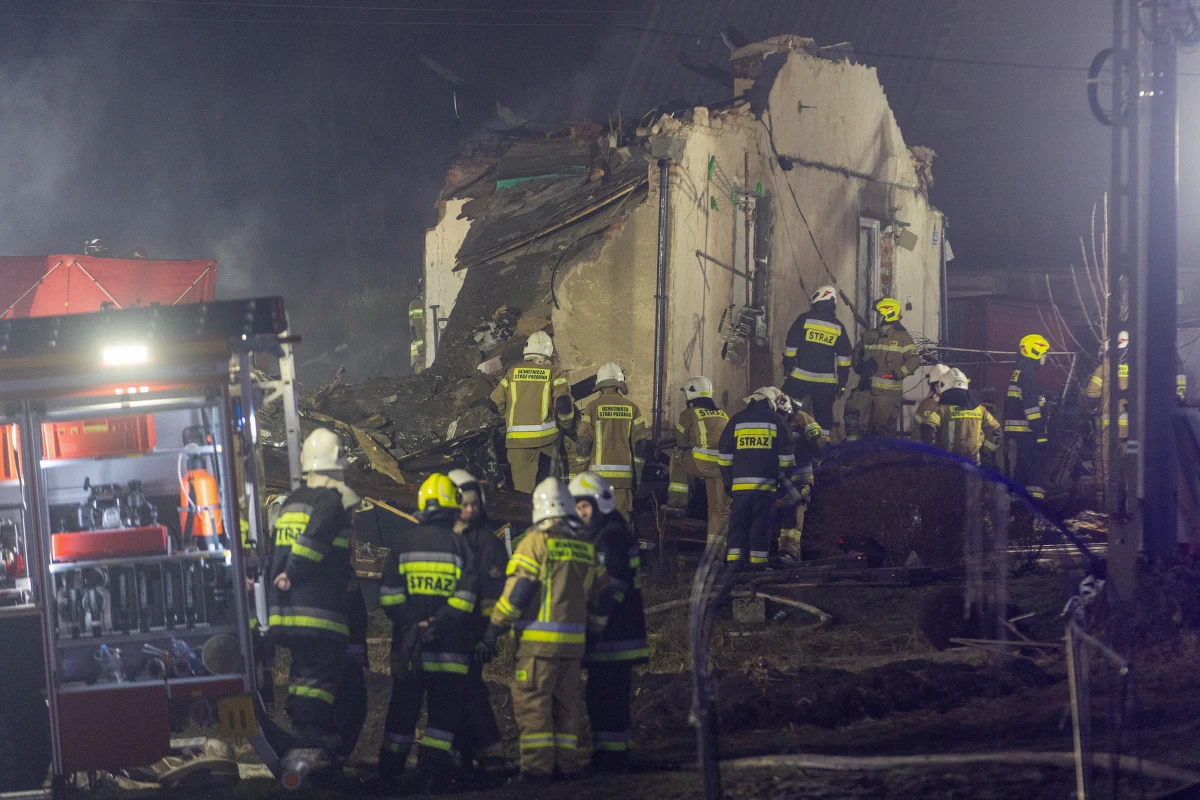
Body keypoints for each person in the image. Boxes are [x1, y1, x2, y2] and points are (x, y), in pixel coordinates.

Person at [482, 478, 611, 783]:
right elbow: (602, 596)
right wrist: (594, 632)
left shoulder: (535, 542)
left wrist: (494, 627)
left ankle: (537, 771)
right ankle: (565, 766)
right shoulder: (583, 546)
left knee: (534, 706)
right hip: (573, 647)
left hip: (537, 648)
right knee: (566, 707)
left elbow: (518, 592)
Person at [376, 474, 477, 792]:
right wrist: (437, 624)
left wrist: (414, 624)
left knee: (402, 713)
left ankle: (389, 775)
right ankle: (432, 775)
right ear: (451, 508)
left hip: (410, 651)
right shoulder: (461, 545)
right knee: (442, 718)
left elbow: (388, 596)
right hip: (449, 650)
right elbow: (466, 599)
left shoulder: (403, 543)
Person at [267, 429, 358, 771]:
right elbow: (312, 540)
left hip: (287, 612)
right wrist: (293, 570)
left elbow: (275, 547)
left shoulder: (291, 501)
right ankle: (311, 734)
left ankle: (303, 730)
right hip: (319, 611)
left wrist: (275, 587)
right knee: (321, 677)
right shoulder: (329, 499)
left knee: (303, 674)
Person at [568, 472, 647, 773]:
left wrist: (594, 624)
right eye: (576, 506)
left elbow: (609, 588)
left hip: (615, 634)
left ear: (599, 503)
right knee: (602, 694)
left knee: (607, 696)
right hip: (613, 633)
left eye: (585, 506)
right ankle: (610, 752)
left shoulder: (611, 537)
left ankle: (613, 758)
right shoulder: (605, 534)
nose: (580, 512)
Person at [447, 468, 507, 773]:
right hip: (446, 630)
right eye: (464, 503)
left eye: (475, 504)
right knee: (451, 690)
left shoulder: (487, 542)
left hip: (472, 632)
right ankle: (463, 751)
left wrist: (489, 634)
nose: (470, 509)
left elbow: (494, 593)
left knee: (469, 686)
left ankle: (489, 749)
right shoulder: (444, 537)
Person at [717, 387, 799, 569]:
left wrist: (728, 483)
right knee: (760, 526)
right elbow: (787, 459)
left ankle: (734, 564)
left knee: (738, 525)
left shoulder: (737, 420)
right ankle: (757, 566)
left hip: (739, 488)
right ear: (770, 402)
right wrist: (783, 484)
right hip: (766, 488)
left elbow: (724, 456)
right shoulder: (777, 421)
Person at [490, 331, 574, 493]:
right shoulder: (554, 372)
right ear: (547, 353)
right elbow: (563, 404)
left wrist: (508, 414)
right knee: (547, 492)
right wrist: (566, 423)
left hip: (518, 444)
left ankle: (524, 517)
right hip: (546, 442)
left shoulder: (512, 373)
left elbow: (494, 403)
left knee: (522, 494)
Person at [574, 362, 648, 520]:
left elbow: (584, 443)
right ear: (619, 385)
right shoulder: (632, 408)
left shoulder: (592, 407)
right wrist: (638, 474)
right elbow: (640, 445)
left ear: (600, 387)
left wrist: (581, 472)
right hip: (623, 480)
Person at [665, 376, 731, 543]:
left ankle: (677, 504)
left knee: (678, 455)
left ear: (691, 394)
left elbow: (681, 441)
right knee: (719, 511)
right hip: (724, 466)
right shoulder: (723, 414)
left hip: (701, 463)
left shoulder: (688, 413)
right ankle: (716, 550)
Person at [781, 285, 852, 438]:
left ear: (817, 299)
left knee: (783, 406)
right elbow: (844, 358)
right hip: (825, 382)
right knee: (824, 416)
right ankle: (822, 451)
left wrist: (787, 369)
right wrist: (842, 384)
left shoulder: (804, 319)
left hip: (800, 377)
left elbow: (791, 345)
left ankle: (784, 441)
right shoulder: (838, 326)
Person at [846, 297, 921, 438]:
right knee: (853, 417)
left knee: (884, 431)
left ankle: (882, 458)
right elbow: (856, 354)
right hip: (866, 389)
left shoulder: (903, 338)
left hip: (888, 395)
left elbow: (914, 359)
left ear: (889, 314)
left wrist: (899, 373)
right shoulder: (869, 334)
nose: (878, 317)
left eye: (880, 313)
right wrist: (862, 366)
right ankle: (854, 454)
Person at [776, 396, 826, 563]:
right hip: (780, 477)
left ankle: (788, 552)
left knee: (793, 511)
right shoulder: (772, 419)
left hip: (801, 475)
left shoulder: (802, 419)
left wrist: (816, 458)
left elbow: (819, 442)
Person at [1003, 333, 1051, 500]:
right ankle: (1033, 505)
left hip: (1018, 430)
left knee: (1021, 468)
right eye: (1044, 352)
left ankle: (1016, 502)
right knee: (1034, 466)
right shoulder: (1029, 373)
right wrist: (1040, 431)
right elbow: (1031, 406)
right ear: (1034, 352)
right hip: (1027, 429)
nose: (1045, 356)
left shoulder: (1020, 370)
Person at [921, 368, 1001, 463]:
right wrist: (985, 451)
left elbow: (927, 428)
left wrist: (934, 452)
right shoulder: (980, 409)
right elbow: (996, 432)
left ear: (945, 385)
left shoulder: (942, 409)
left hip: (949, 463)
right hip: (973, 464)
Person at [911, 364, 951, 441]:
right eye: (936, 386)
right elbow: (917, 429)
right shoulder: (925, 404)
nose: (939, 389)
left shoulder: (955, 404)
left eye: (942, 385)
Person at [409, 278, 425, 374]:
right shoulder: (416, 304)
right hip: (419, 354)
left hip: (419, 353)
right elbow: (416, 328)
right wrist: (421, 350)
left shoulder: (417, 303)